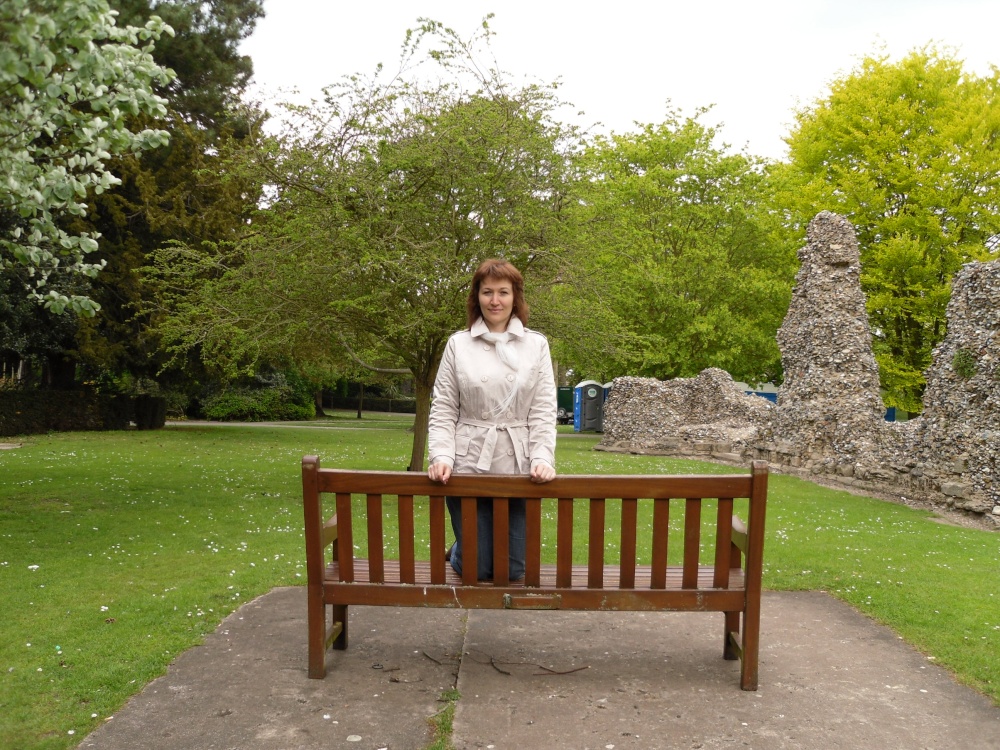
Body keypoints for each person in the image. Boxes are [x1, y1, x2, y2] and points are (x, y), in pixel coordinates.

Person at [427, 258, 557, 580]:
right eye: (487, 292)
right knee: (478, 566)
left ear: (515, 297)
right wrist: (441, 456)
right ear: (477, 296)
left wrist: (543, 457)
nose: (495, 300)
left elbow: (543, 409)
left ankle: (463, 546)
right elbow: (444, 407)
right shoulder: (458, 344)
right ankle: (462, 550)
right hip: (468, 460)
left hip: (519, 464)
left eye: (503, 292)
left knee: (513, 569)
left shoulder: (536, 345)